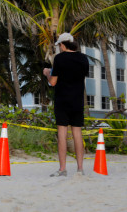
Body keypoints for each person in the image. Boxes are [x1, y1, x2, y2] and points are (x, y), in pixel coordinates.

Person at [43, 32, 89, 177]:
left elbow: (53, 82)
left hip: (62, 100)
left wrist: (47, 73)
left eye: (60, 45)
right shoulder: (83, 58)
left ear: (63, 45)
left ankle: (62, 169)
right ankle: (80, 169)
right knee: (77, 133)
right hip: (78, 101)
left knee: (62, 134)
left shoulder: (60, 59)